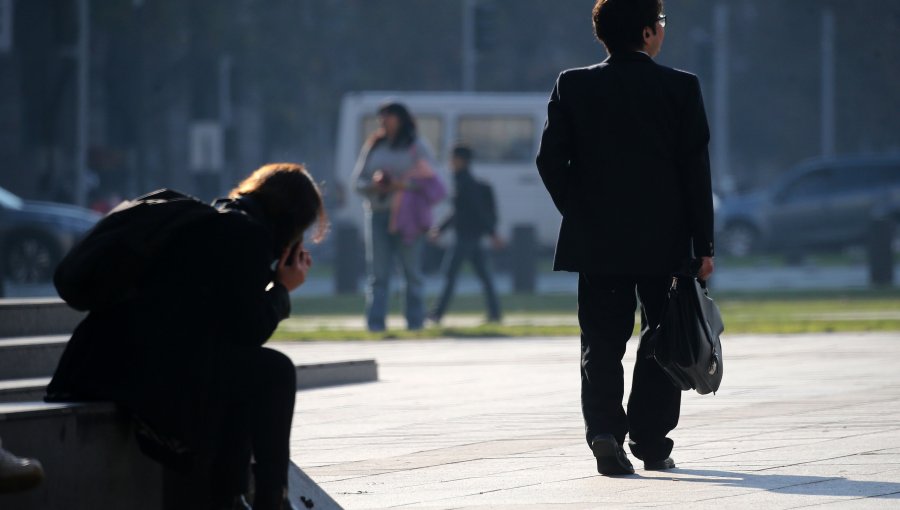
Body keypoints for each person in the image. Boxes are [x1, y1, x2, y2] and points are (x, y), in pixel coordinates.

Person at [46, 163, 328, 509]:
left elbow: (224, 332)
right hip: (134, 369)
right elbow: (248, 330)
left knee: (244, 372)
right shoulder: (246, 236)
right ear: (292, 221)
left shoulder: (218, 220)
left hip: (102, 360)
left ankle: (233, 494)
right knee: (273, 371)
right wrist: (283, 288)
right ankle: (269, 497)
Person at [536, 0, 715, 476]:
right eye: (660, 22)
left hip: (598, 242)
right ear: (647, 32)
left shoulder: (572, 84)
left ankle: (604, 433)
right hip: (666, 242)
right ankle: (652, 441)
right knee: (664, 336)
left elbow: (549, 161)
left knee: (601, 340)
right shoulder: (680, 87)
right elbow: (695, 171)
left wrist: (580, 211)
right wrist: (704, 246)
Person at [352, 102, 446, 331]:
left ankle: (415, 323)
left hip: (408, 218)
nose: (383, 122)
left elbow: (430, 181)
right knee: (378, 274)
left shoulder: (416, 146)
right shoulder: (374, 145)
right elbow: (357, 182)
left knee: (411, 272)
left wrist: (400, 183)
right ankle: (375, 324)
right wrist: (376, 185)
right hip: (378, 214)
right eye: (381, 118)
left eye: (388, 117)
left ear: (401, 119)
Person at [428, 144, 502, 324]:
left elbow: (473, 211)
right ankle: (494, 313)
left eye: (453, 158)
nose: (450, 162)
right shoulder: (462, 181)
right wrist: (440, 228)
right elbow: (458, 211)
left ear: (462, 160)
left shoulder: (465, 183)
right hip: (471, 236)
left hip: (465, 237)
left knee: (450, 275)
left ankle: (437, 314)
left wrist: (492, 233)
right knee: (483, 276)